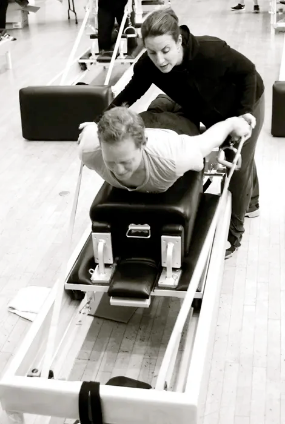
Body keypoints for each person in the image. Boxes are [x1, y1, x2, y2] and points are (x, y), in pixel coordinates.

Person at [83, 7, 265, 258]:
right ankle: (252, 202)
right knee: (244, 157)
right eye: (151, 51)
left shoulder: (211, 51)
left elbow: (248, 71)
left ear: (178, 40)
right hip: (206, 109)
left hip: (245, 103)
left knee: (236, 164)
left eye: (165, 50)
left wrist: (243, 114)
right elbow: (131, 93)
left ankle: (234, 234)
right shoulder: (149, 65)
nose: (159, 60)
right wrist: (100, 121)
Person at [78, 102, 251, 195]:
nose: (119, 170)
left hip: (179, 123)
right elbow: (90, 131)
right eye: (111, 162)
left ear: (143, 143)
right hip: (151, 115)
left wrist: (232, 123)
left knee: (189, 103)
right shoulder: (89, 151)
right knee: (158, 105)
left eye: (125, 161)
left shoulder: (174, 157)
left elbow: (207, 141)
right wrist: (90, 128)